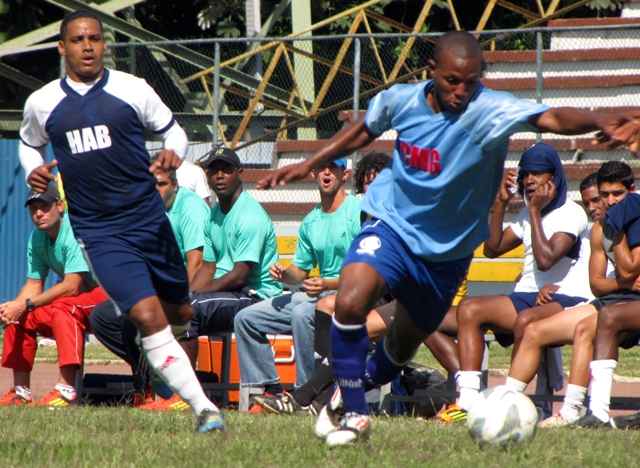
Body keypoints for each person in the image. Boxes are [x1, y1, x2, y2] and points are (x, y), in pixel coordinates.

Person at [256, 30, 640, 446]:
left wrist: (603, 121)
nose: (460, 91)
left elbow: (550, 117)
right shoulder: (401, 100)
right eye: (452, 80)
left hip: (446, 255)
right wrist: (308, 162)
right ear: (432, 70)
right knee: (348, 301)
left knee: (401, 348)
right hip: (393, 227)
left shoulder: (490, 109)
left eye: (471, 81)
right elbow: (363, 130)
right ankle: (355, 413)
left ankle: (342, 397)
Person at [18, 10, 224, 433]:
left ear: (105, 44)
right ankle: (205, 409)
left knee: (178, 310)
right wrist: (33, 170)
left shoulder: (133, 89)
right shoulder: (43, 102)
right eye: (77, 40)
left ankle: (170, 355)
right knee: (147, 316)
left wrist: (173, 154)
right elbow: (28, 144)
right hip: (99, 231)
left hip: (148, 220)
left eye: (94, 38)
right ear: (62, 47)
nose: (87, 46)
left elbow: (174, 133)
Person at [254, 151, 466, 415]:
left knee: (361, 328)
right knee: (328, 310)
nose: (373, 187)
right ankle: (318, 398)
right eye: (368, 182)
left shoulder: (404, 215)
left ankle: (468, 397)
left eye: (380, 181)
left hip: (418, 299)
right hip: (396, 297)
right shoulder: (371, 218)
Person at [90, 147, 281, 411]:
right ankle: (149, 387)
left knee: (191, 310)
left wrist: (192, 299)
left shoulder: (249, 214)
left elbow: (239, 275)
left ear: (241, 173)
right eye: (214, 170)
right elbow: (208, 267)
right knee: (166, 309)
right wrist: (179, 298)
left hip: (254, 296)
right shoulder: (214, 215)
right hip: (228, 293)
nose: (220, 175)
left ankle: (181, 397)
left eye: (226, 169)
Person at [453, 142, 592, 419]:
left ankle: (510, 402)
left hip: (567, 297)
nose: (529, 180)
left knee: (526, 320)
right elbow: (492, 249)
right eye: (525, 173)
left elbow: (546, 260)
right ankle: (467, 400)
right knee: (468, 308)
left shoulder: (571, 213)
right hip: (528, 294)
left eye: (537, 173)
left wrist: (534, 212)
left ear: (554, 177)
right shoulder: (527, 213)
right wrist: (500, 203)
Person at [499, 164, 630, 427]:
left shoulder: (633, 223)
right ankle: (504, 406)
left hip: (625, 307)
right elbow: (596, 283)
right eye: (598, 198)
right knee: (533, 330)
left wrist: (624, 280)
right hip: (604, 301)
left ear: (632, 191)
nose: (602, 204)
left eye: (609, 196)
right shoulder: (598, 230)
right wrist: (623, 281)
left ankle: (574, 410)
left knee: (585, 328)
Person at [88, 153, 211, 408]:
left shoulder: (190, 207)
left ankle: (179, 393)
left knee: (171, 317)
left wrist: (172, 302)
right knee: (107, 316)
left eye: (161, 184)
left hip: (196, 287)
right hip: (158, 288)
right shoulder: (144, 210)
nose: (154, 189)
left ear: (175, 185)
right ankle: (147, 381)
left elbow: (196, 264)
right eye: (149, 184)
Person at [234, 156, 361, 399]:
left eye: (333, 167)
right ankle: (269, 391)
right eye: (320, 168)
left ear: (344, 174)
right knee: (246, 318)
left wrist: (330, 283)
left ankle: (307, 395)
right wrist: (285, 274)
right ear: (313, 175)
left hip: (352, 296)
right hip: (319, 295)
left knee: (303, 314)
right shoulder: (311, 220)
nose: (326, 172)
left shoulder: (356, 212)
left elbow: (367, 272)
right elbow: (300, 272)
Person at [0, 185, 107, 407]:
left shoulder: (74, 229)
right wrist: (13, 308)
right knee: (20, 315)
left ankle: (66, 391)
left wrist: (27, 303)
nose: (39, 213)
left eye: (45, 206)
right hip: (83, 299)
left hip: (113, 297)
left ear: (60, 206)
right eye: (34, 208)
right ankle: (20, 392)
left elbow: (71, 287)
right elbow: (33, 284)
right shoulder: (37, 238)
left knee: (64, 307)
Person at [573, 176, 640, 429]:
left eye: (618, 194)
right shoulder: (608, 225)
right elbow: (616, 279)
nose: (611, 201)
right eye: (606, 195)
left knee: (608, 316)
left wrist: (618, 230)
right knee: (607, 317)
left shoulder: (626, 220)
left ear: (632, 191)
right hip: (622, 299)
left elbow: (629, 268)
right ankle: (595, 412)